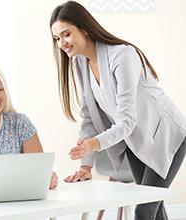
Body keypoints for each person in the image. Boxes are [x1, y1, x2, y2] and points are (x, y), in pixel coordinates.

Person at [49, 1, 186, 219]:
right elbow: (88, 116)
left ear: (84, 28)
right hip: (135, 141)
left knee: (144, 208)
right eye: (57, 38)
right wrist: (86, 166)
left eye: (66, 34)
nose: (62, 43)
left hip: (166, 136)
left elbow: (127, 120)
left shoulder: (122, 55)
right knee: (151, 207)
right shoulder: (79, 63)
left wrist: (93, 144)